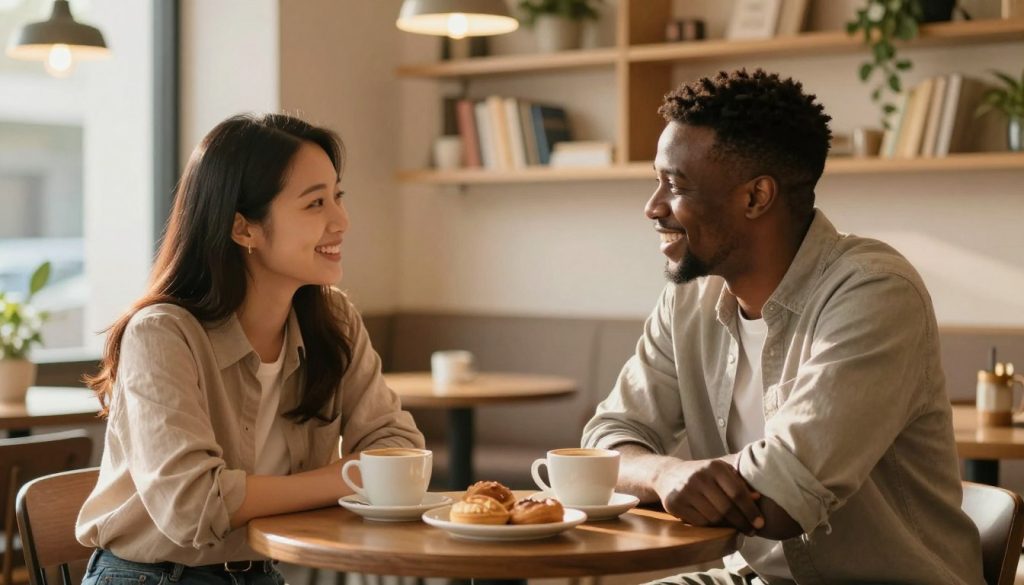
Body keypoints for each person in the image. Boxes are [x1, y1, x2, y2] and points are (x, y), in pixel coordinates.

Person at [581, 69, 984, 584]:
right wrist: (665, 472)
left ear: (755, 198)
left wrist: (660, 477)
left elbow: (781, 501)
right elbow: (602, 443)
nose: (652, 206)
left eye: (675, 184)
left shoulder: (875, 292)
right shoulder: (689, 298)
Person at [76, 113, 424, 585]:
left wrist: (357, 472)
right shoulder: (160, 335)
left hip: (263, 574)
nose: (341, 220)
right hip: (152, 577)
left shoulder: (333, 320)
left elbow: (400, 448)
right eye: (315, 203)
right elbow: (192, 506)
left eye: (337, 197)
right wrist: (348, 476)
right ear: (244, 229)